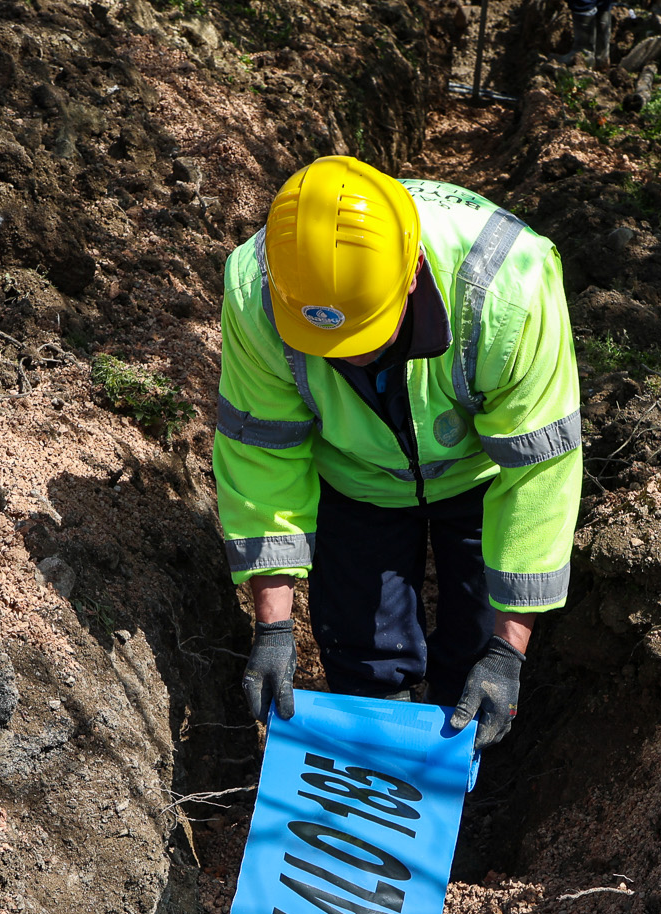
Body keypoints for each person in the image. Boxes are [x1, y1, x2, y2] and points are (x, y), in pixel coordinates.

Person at [214, 156, 582, 751]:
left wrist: (507, 651)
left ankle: (468, 796)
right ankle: (380, 777)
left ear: (412, 272)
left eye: (363, 335)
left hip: (480, 477)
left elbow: (539, 473)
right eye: (325, 345)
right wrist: (275, 626)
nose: (347, 359)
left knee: (474, 660)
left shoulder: (510, 287)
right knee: (366, 669)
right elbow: (263, 454)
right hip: (356, 480)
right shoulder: (260, 292)